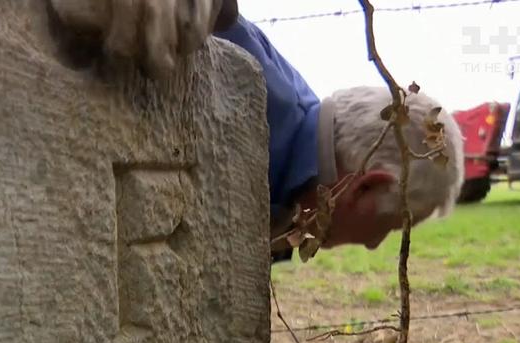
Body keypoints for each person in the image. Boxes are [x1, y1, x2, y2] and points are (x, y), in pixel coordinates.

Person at [50, 0, 464, 261]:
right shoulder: (245, 82)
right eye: (390, 227)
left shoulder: (290, 199)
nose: (373, 244)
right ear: (367, 187)